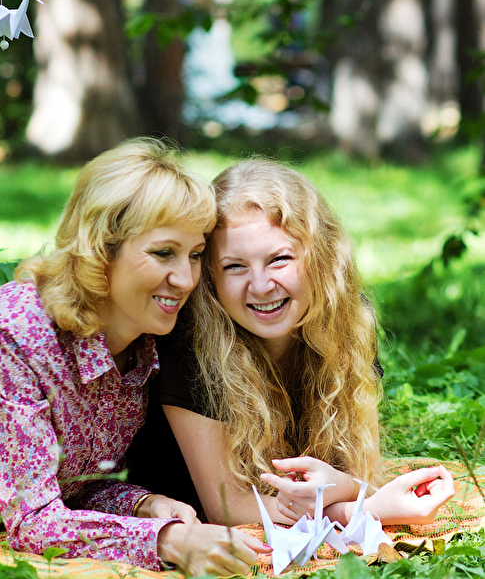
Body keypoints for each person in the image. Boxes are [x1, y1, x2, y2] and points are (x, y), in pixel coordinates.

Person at [0, 139, 271, 576]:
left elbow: (77, 487)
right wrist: (168, 540)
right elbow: (33, 520)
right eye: (163, 252)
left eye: (195, 255)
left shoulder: (143, 343)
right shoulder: (15, 330)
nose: (185, 279)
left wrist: (144, 505)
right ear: (102, 248)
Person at [129, 158, 455, 529]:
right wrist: (361, 510)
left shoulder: (348, 323)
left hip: (286, 511)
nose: (260, 286)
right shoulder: (190, 342)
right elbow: (228, 508)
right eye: (235, 266)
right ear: (210, 279)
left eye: (279, 259)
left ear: (320, 259)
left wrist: (347, 487)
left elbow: (362, 471)